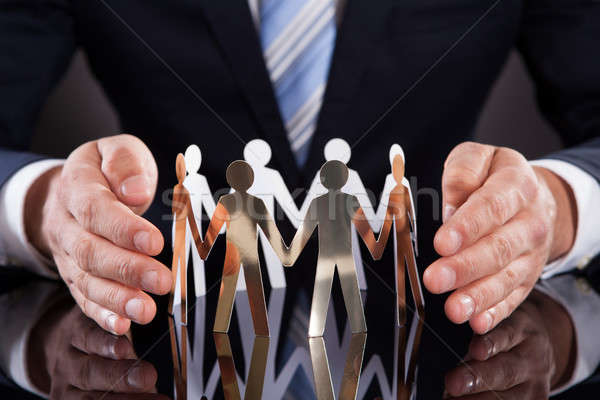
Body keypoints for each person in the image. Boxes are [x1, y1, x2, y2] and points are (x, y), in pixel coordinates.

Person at [1, 0, 599, 340]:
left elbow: (311, 216)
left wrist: (560, 205)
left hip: (424, 329)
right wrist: (40, 206)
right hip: (178, 321)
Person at [285, 160, 390, 337]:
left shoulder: (318, 202)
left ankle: (318, 330)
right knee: (348, 288)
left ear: (322, 180)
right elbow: (365, 229)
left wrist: (290, 254)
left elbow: (304, 231)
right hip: (342, 253)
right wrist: (375, 248)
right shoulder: (351, 200)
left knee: (322, 289)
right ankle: (356, 326)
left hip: (327, 253)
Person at [195, 160, 288, 337]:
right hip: (249, 252)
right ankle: (260, 328)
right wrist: (284, 253)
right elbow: (270, 230)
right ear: (251, 181)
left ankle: (222, 325)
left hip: (233, 250)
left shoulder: (226, 200)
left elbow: (216, 229)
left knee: (228, 287)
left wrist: (204, 249)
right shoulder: (257, 202)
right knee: (254, 289)